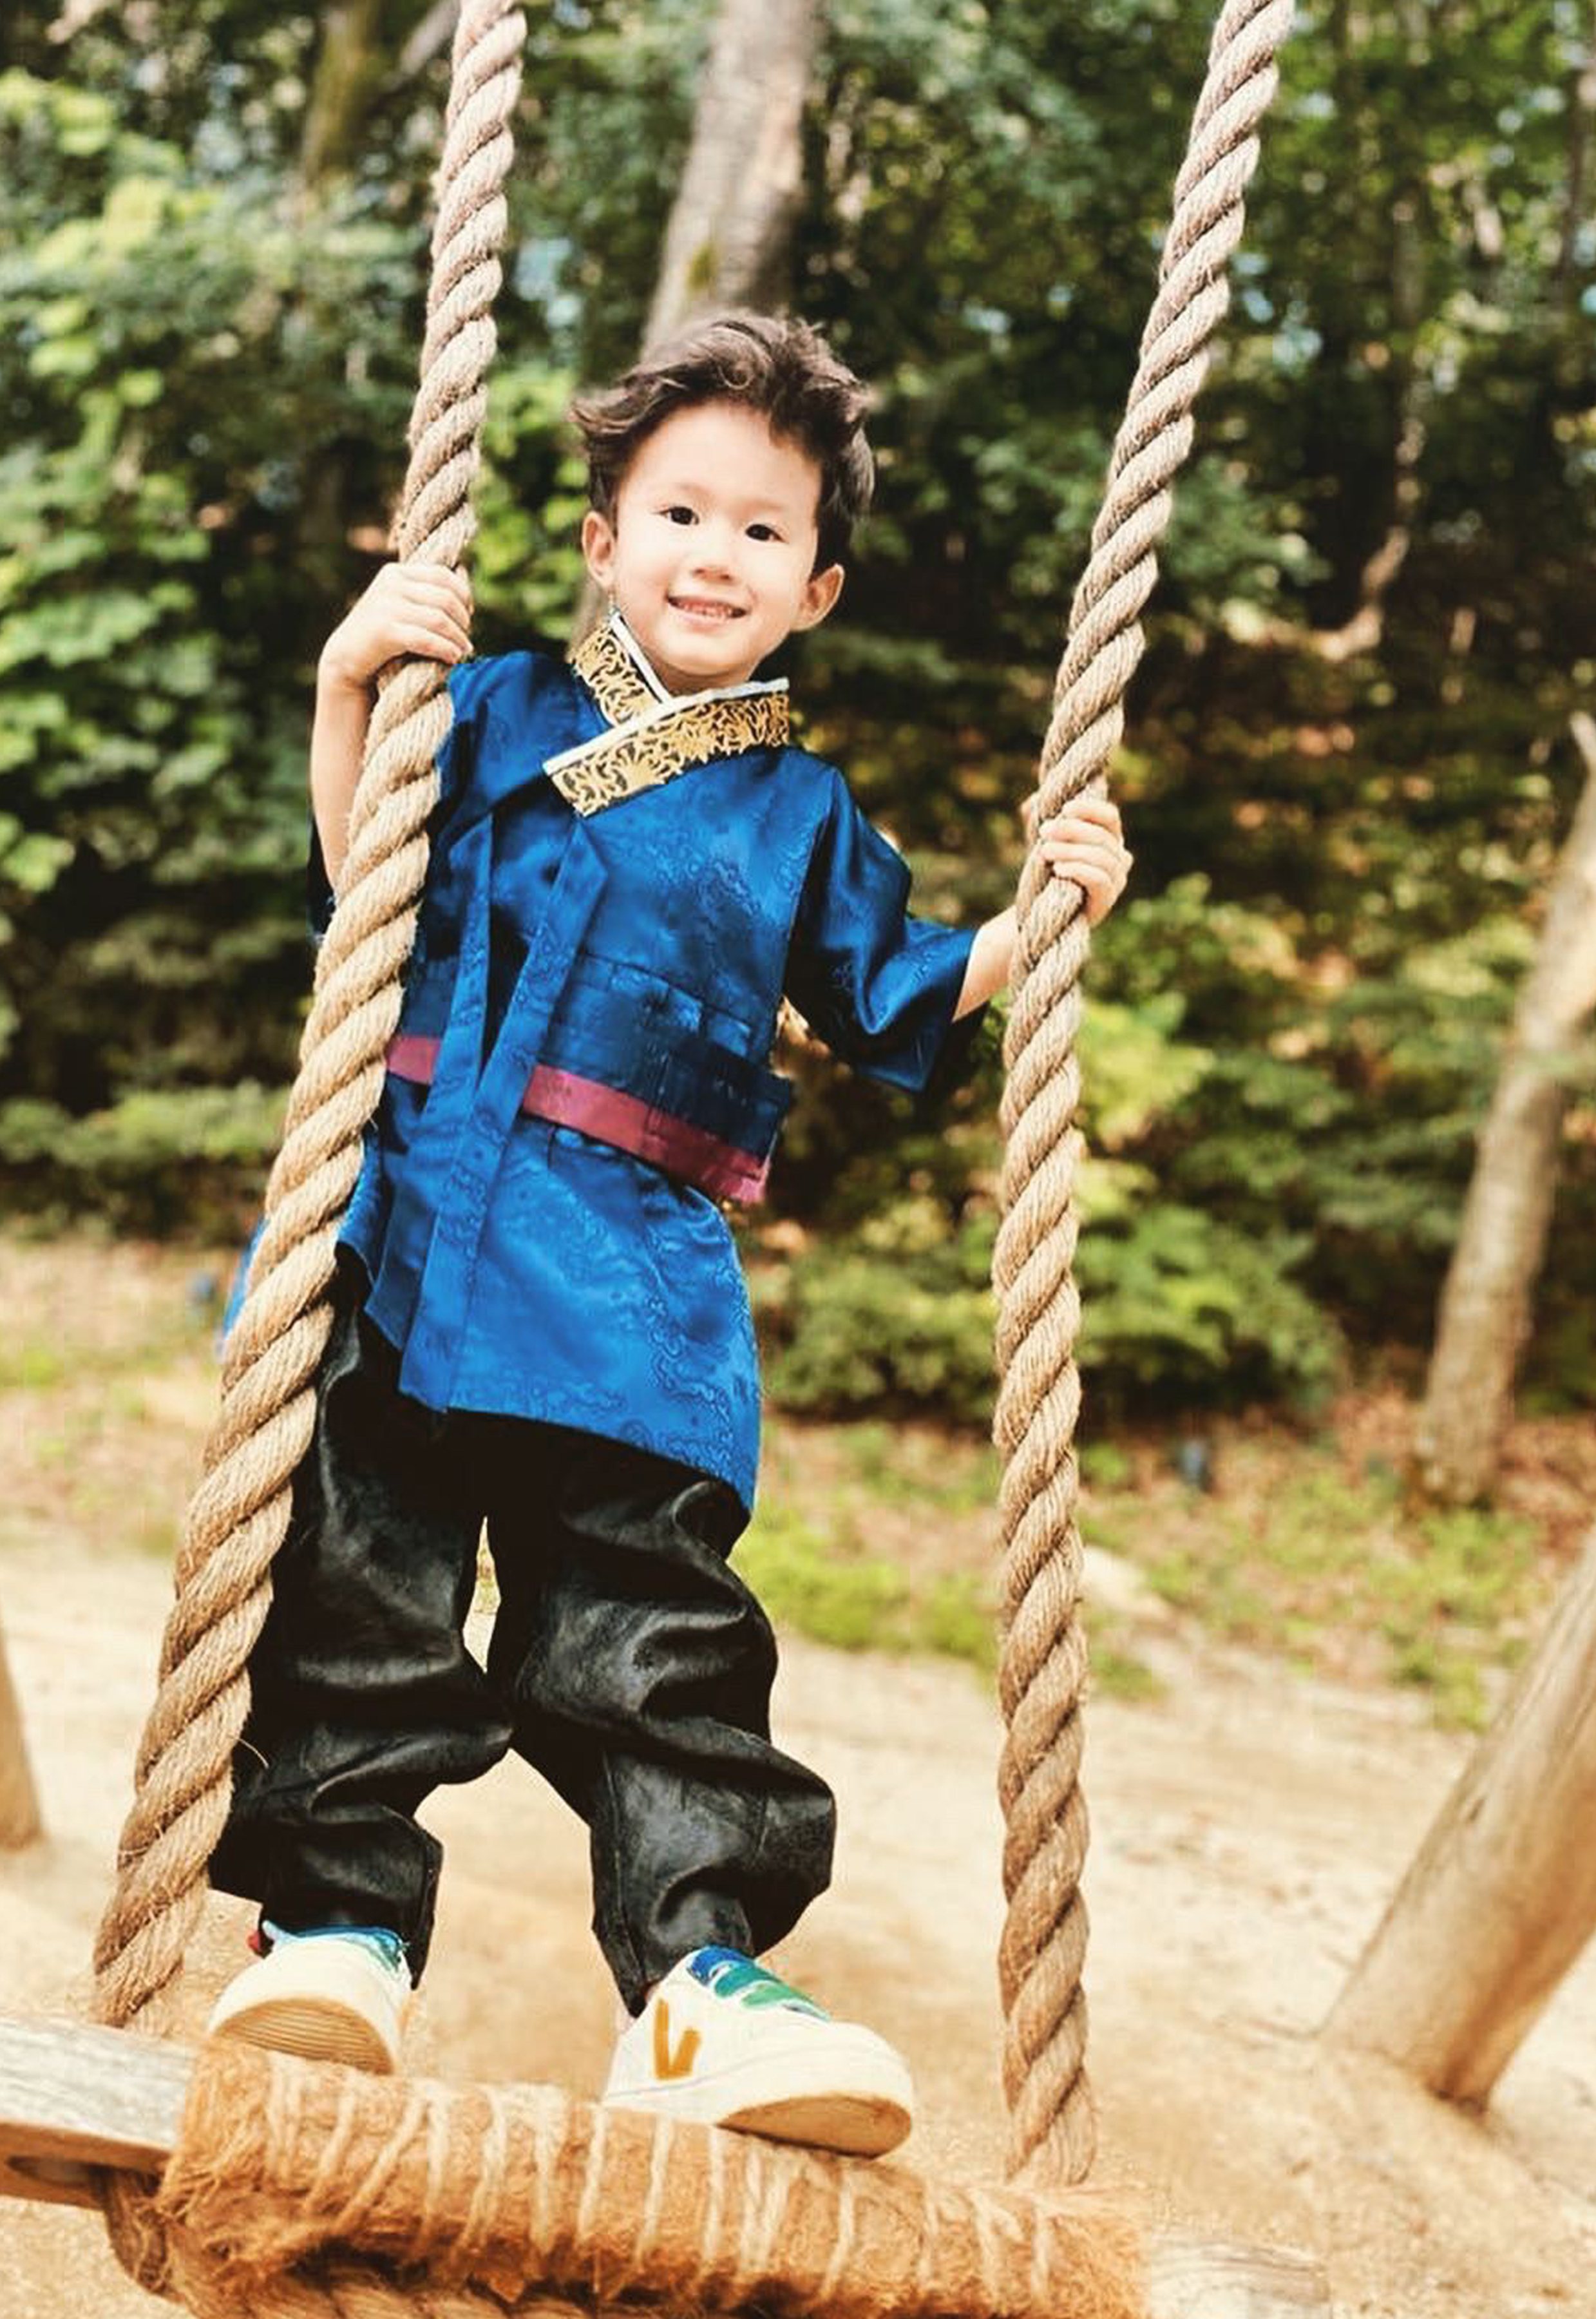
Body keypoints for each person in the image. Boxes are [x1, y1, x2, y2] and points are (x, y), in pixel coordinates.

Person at [204, 311, 1132, 2158]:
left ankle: (703, 1983)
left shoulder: (801, 814)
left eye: (763, 531)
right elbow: (359, 878)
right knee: (360, 1594)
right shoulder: (483, 710)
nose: (716, 554)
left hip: (628, 1286)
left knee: (645, 1645)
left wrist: (1045, 917)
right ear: (602, 540)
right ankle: (335, 1933)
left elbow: (893, 998)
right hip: (403, 1226)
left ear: (817, 587)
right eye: (680, 513)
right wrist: (343, 685)